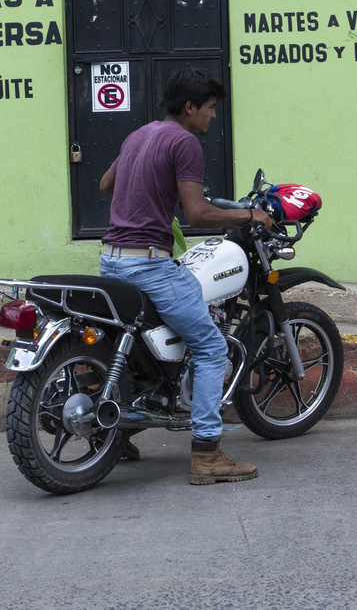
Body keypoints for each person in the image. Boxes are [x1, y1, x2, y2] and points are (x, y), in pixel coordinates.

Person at [99, 66, 274, 485]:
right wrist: (251, 214)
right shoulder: (184, 141)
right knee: (212, 348)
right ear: (190, 107)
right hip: (148, 264)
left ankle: (116, 435)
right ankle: (207, 454)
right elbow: (197, 213)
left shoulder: (139, 135)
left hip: (111, 259)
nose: (213, 116)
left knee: (140, 348)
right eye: (210, 108)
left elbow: (108, 184)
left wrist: (153, 191)